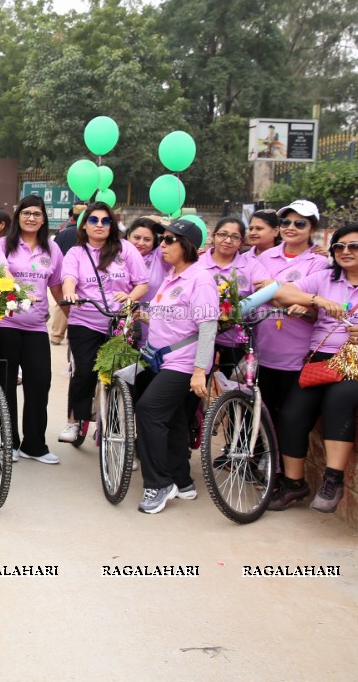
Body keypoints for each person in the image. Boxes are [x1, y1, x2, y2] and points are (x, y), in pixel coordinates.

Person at [268, 224, 358, 513]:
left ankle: (332, 479)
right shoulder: (325, 279)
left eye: (353, 246)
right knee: (291, 412)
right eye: (339, 247)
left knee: (339, 397)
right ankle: (293, 483)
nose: (345, 252)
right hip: (323, 363)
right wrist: (316, 300)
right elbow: (280, 294)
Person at [134, 219, 219, 514]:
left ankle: (158, 483)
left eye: (170, 240)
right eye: (163, 239)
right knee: (173, 420)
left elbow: (207, 328)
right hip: (161, 358)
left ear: (188, 246)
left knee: (149, 409)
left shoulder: (201, 279)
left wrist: (199, 371)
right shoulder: (173, 276)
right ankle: (182, 481)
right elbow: (170, 317)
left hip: (185, 364)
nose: (163, 245)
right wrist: (140, 314)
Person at [59, 202, 148, 443]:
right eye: (94, 220)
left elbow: (142, 283)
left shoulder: (126, 249)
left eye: (105, 221)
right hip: (85, 321)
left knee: (124, 376)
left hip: (121, 323)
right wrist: (70, 294)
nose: (100, 225)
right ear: (84, 225)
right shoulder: (76, 253)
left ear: (112, 225)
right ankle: (74, 421)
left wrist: (130, 297)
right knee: (85, 371)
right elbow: (68, 279)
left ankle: (119, 427)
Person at [251, 200, 330, 457]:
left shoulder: (320, 264)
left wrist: (273, 290)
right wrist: (285, 294)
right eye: (285, 222)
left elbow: (309, 305)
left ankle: (285, 474)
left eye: (300, 223)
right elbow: (258, 295)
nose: (291, 227)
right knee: (263, 414)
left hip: (298, 356)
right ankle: (266, 463)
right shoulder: (265, 257)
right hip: (265, 351)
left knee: (290, 418)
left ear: (312, 228)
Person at [0, 195, 64, 464]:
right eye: (26, 213)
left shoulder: (52, 249)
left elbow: (57, 286)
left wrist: (73, 316)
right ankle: (8, 442)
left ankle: (34, 445)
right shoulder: (3, 245)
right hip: (6, 324)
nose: (31, 218)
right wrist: (17, 291)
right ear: (18, 217)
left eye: (37, 213)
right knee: (7, 384)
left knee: (39, 382)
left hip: (36, 326)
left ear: (44, 218)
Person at [197, 217, 269, 377]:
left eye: (235, 237)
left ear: (242, 241)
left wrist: (232, 315)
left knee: (233, 388)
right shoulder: (197, 263)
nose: (228, 240)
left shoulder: (251, 265)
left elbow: (265, 293)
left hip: (236, 341)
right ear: (213, 236)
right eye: (223, 234)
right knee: (197, 387)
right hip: (199, 338)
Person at [126, 216, 166, 346]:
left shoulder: (160, 256)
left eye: (147, 239)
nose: (141, 243)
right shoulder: (116, 255)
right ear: (128, 236)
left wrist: (162, 222)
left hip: (151, 326)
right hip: (121, 324)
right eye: (137, 238)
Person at [49, 206, 83, 345]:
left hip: (65, 276)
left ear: (72, 217)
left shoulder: (63, 233)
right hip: (84, 277)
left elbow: (54, 253)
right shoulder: (91, 236)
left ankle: (56, 335)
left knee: (62, 302)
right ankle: (76, 332)